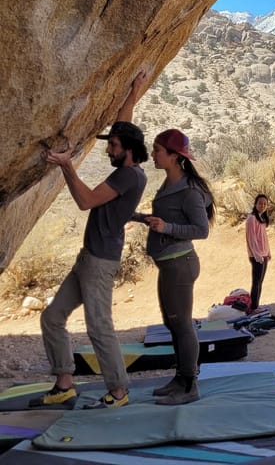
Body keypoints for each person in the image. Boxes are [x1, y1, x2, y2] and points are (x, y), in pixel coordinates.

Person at [33, 74, 148, 409]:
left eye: (112, 146)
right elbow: (124, 123)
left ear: (127, 152)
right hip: (89, 258)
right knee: (52, 317)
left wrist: (66, 166)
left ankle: (119, 392)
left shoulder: (128, 175)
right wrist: (133, 90)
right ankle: (64, 382)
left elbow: (86, 200)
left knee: (100, 329)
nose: (108, 149)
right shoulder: (128, 158)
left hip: (100, 263)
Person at [134, 128, 215, 405]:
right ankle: (180, 379)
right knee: (172, 323)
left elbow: (201, 230)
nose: (153, 155)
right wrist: (140, 217)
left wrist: (166, 226)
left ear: (173, 156)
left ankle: (190, 385)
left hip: (180, 264)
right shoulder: (170, 184)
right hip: (170, 265)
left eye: (157, 150)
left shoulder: (189, 191)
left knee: (182, 326)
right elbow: (164, 220)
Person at [245, 194, 271, 313]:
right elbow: (252, 239)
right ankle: (253, 307)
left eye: (265, 204)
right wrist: (257, 255)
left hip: (263, 254)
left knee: (260, 281)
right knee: (256, 282)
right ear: (255, 204)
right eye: (260, 203)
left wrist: (268, 252)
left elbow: (264, 237)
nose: (262, 205)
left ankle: (257, 305)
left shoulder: (262, 218)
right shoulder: (251, 218)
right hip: (257, 256)